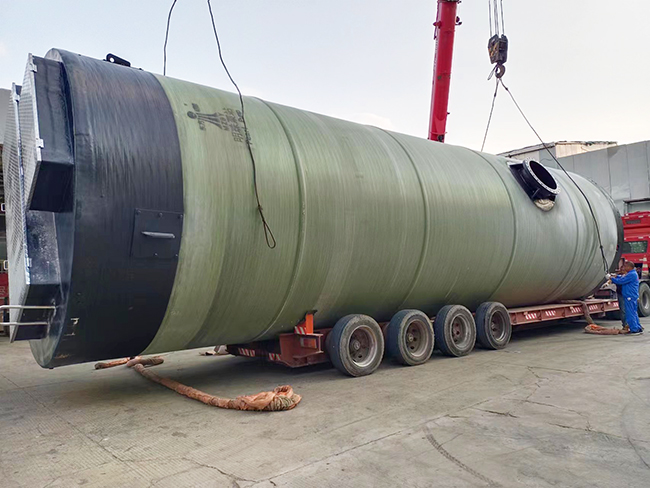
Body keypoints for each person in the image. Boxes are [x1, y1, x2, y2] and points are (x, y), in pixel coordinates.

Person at [608, 261, 644, 335]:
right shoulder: (632, 273)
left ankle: (634, 329)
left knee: (630, 313)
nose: (624, 268)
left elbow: (621, 281)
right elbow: (622, 277)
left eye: (625, 266)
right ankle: (637, 327)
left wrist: (611, 279)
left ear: (629, 267)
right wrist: (615, 276)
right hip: (632, 296)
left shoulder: (631, 274)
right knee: (634, 313)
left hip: (629, 296)